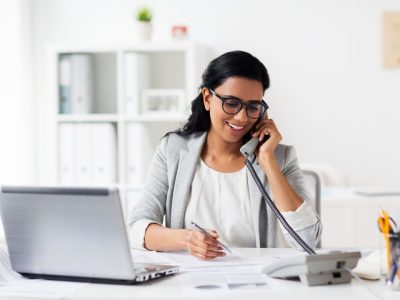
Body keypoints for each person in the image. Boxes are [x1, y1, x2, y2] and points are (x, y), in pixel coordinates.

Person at [128, 50, 321, 259]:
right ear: (207, 98)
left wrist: (267, 160)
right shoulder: (173, 151)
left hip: (258, 284)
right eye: (231, 103)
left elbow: (308, 239)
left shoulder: (280, 157)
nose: (241, 117)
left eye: (252, 107)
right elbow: (137, 229)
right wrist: (187, 239)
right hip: (189, 283)